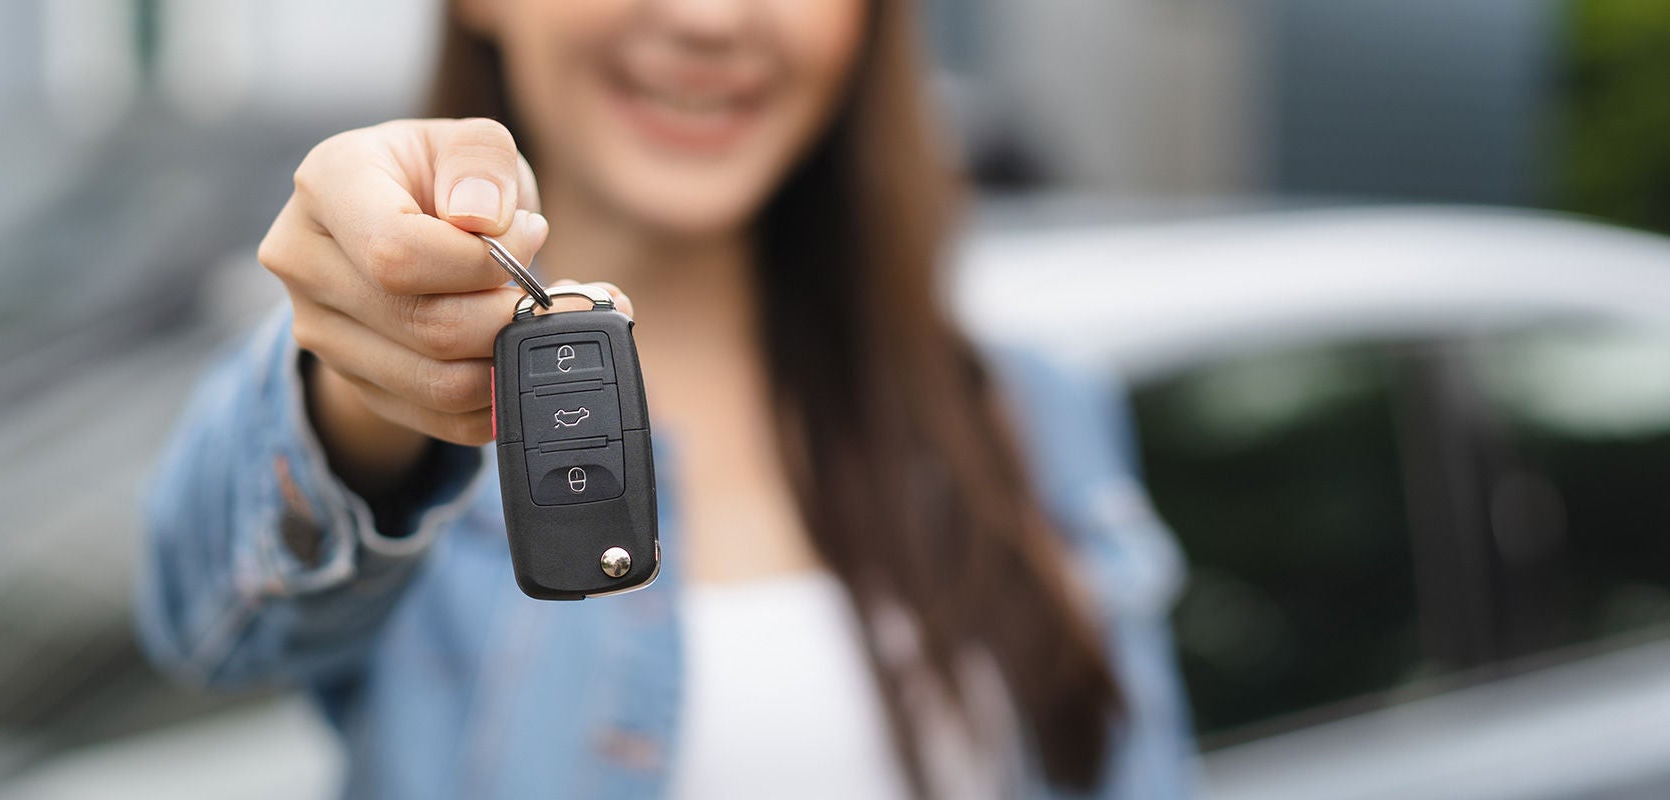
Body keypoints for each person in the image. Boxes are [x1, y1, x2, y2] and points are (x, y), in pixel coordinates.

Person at [137, 0, 1196, 796]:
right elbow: (205, 619)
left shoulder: (1033, 410)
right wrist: (368, 382)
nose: (708, 17)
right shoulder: (391, 411)